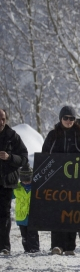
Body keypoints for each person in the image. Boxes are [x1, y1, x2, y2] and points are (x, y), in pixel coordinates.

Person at [42, 106, 80, 255]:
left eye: (71, 118)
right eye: (65, 118)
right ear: (60, 119)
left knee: (73, 211)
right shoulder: (52, 135)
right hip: (56, 180)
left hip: (75, 180)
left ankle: (70, 246)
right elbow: (45, 155)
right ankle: (57, 245)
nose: (68, 121)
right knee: (57, 211)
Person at [0, 109, 29, 255]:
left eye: (3, 118)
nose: (1, 121)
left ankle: (4, 247)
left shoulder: (12, 136)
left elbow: (24, 158)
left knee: (4, 215)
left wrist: (9, 157)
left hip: (6, 182)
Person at [12, 166, 39, 253]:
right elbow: (9, 196)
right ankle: (26, 249)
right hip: (21, 216)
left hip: (33, 216)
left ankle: (34, 248)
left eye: (28, 180)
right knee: (24, 235)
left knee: (33, 234)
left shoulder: (36, 187)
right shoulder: (17, 188)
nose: (26, 182)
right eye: (24, 180)